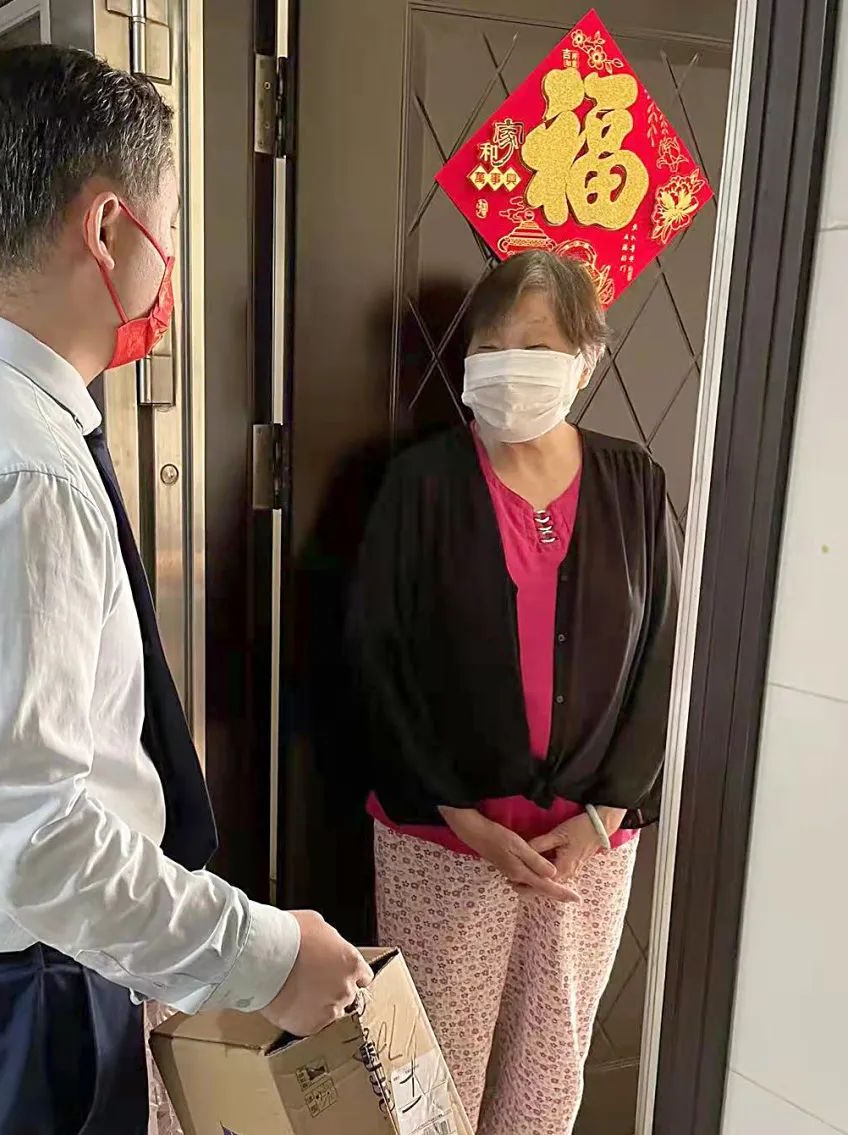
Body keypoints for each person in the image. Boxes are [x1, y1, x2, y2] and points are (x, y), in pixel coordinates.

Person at [0, 45, 370, 1135]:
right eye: (171, 228)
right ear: (109, 228)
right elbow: (33, 834)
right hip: (12, 995)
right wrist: (265, 957)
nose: (172, 264)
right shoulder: (19, 472)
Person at [349, 250, 680, 1134]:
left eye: (534, 345)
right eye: (490, 345)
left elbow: (662, 656)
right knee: (423, 1073)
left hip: (586, 849)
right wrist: (460, 812)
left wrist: (605, 815)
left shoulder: (634, 482)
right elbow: (375, 658)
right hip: (442, 838)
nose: (507, 364)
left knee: (549, 1070)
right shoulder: (420, 484)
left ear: (585, 359)